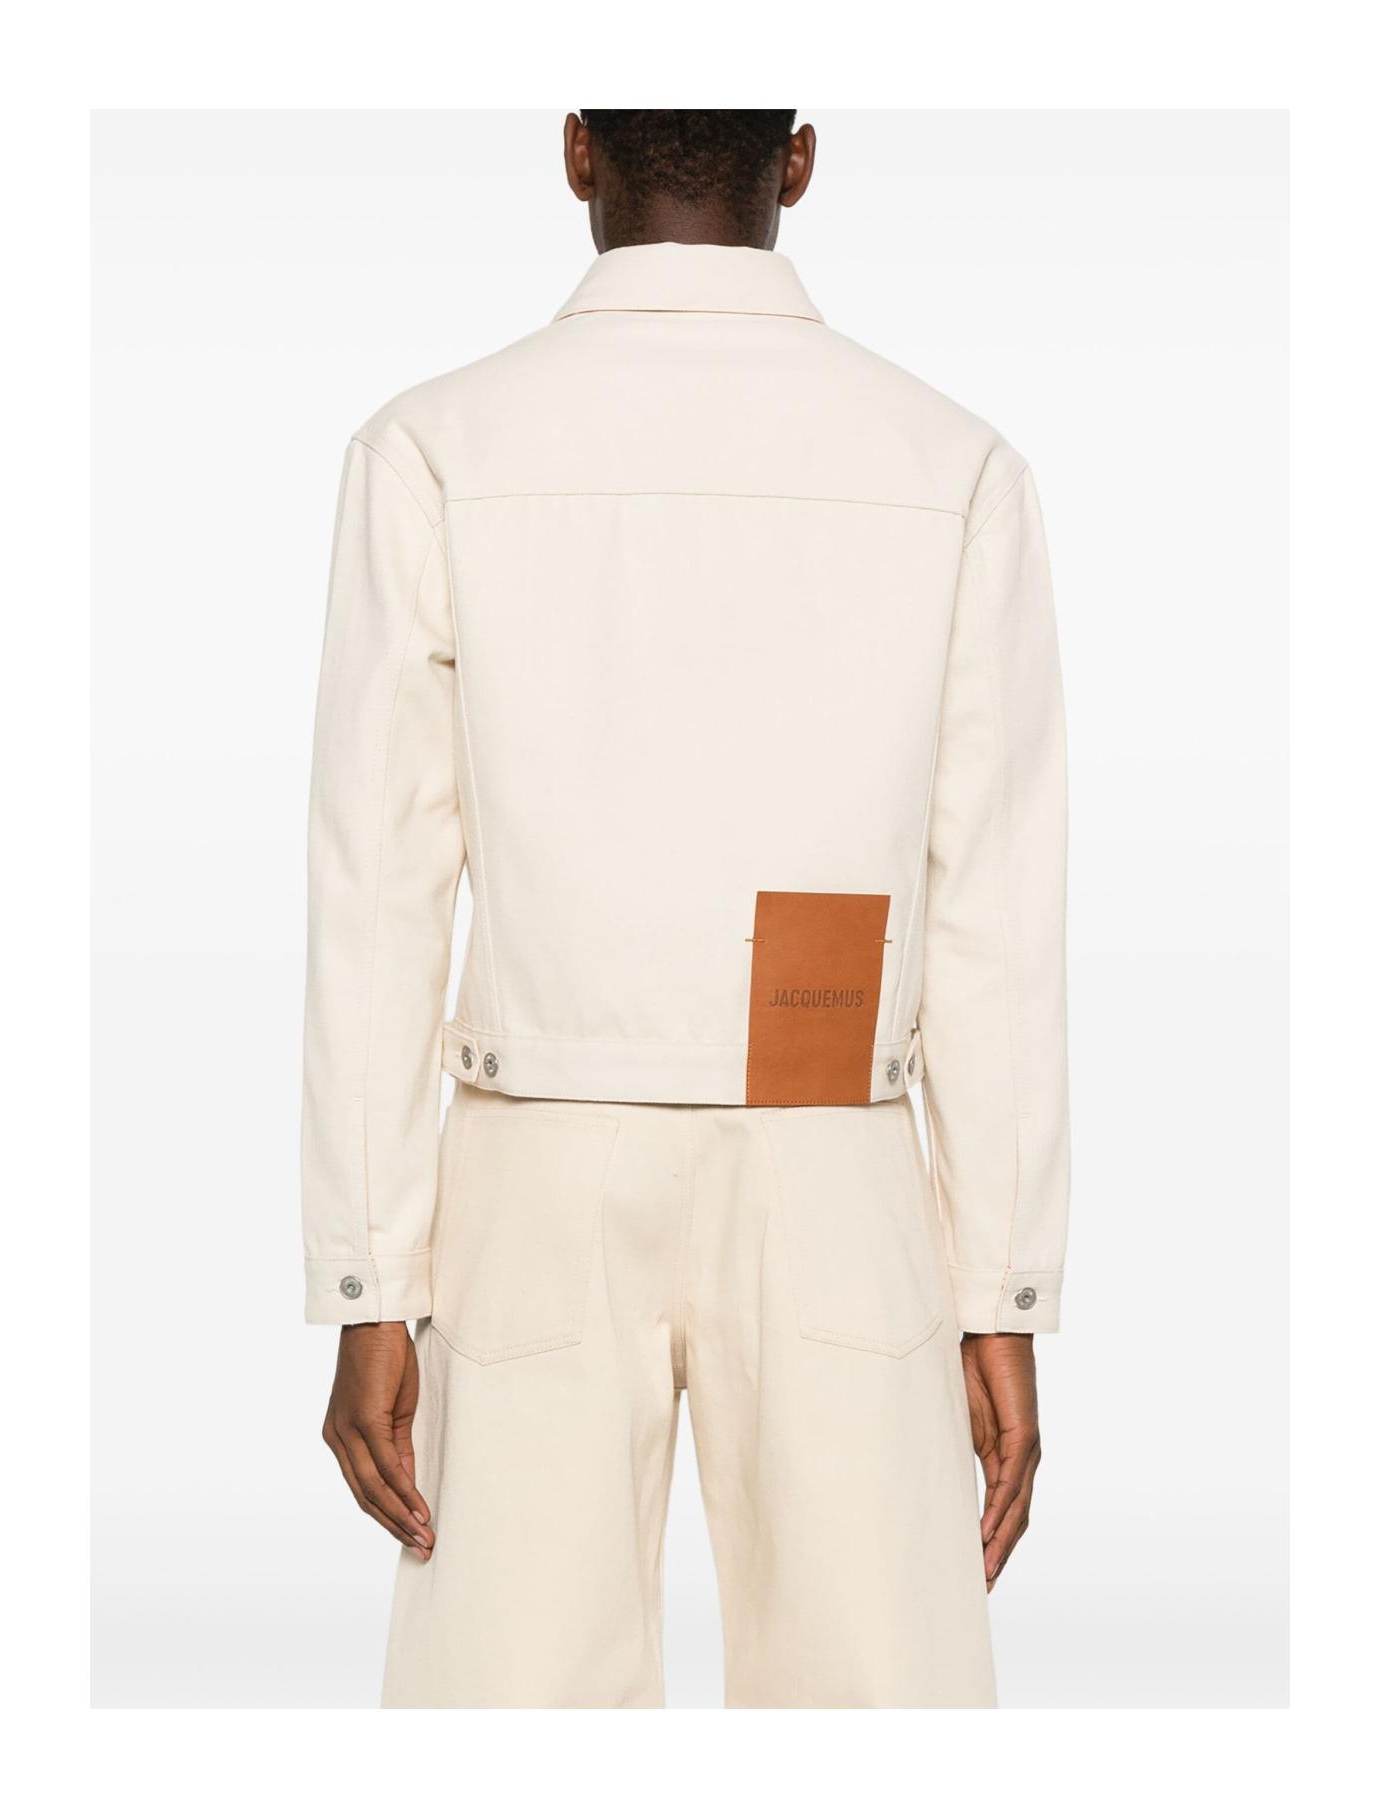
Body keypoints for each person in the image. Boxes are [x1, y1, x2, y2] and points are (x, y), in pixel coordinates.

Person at [303, 109, 1069, 1708]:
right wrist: (999, 1286)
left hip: (533, 1165)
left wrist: (372, 1281)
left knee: (505, 1723)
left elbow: (381, 889)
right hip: (836, 1148)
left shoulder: (436, 449)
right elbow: (992, 909)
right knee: (879, 1718)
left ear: (577, 153)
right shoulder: (951, 466)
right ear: (799, 160)